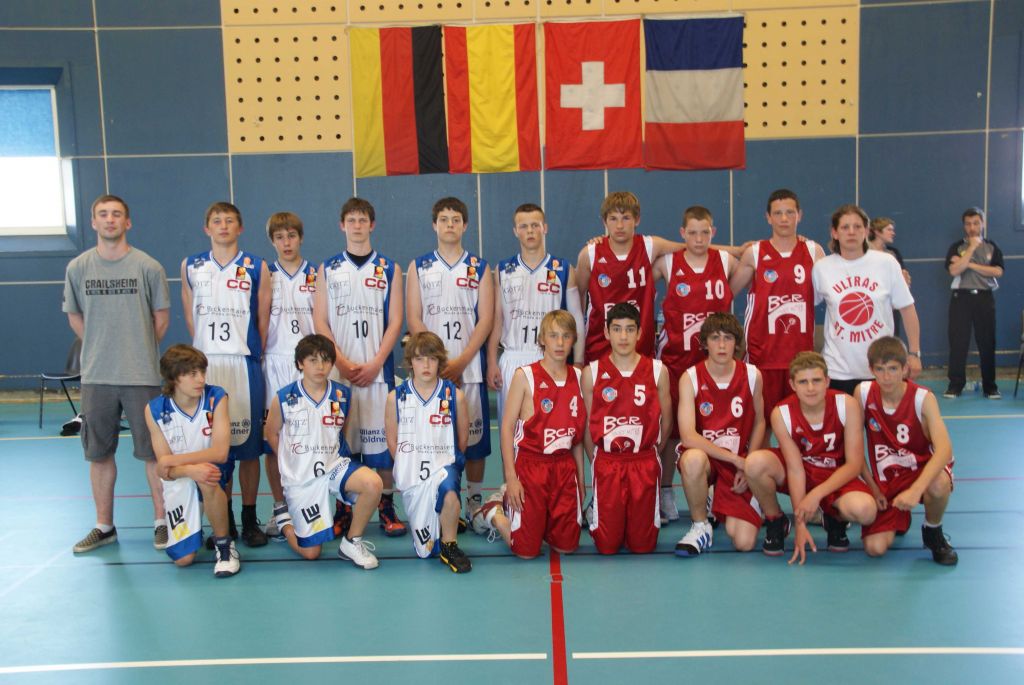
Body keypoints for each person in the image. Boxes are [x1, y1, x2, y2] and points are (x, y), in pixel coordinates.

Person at [64, 194, 171, 553]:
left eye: (116, 214)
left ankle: (162, 521)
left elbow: (160, 320)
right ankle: (104, 526)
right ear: (93, 222)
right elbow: (75, 317)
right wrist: (101, 346)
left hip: (142, 375)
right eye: (103, 214)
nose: (110, 219)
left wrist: (136, 349)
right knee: (98, 453)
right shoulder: (78, 267)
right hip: (96, 376)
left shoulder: (148, 267)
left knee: (153, 453)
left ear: (128, 222)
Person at [314, 197, 406, 537]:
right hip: (340, 373)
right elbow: (320, 320)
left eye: (362, 219)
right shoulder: (327, 269)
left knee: (382, 448)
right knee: (344, 446)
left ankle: (386, 506)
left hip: (377, 372)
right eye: (351, 220)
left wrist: (376, 362)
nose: (357, 225)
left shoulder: (389, 268)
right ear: (342, 225)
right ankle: (344, 508)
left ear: (372, 224)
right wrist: (341, 361)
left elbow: (395, 321)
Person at [181, 202, 271, 547]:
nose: (223, 226)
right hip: (206, 366)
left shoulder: (256, 266)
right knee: (216, 449)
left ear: (240, 227)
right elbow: (190, 315)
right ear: (207, 228)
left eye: (229, 220)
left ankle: (249, 517)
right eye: (216, 221)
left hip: (242, 363)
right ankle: (225, 519)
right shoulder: (191, 265)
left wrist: (250, 352)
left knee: (248, 449)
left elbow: (262, 320)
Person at [406, 197, 493, 519]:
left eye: (456, 219)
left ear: (465, 225)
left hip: (469, 369)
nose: (450, 225)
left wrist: (462, 361)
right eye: (444, 219)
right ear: (434, 225)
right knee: (434, 437)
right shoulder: (419, 266)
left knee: (475, 439)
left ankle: (474, 501)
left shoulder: (479, 267)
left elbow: (485, 319)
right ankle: (437, 497)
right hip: (431, 370)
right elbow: (414, 317)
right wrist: (439, 361)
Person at [745, 352, 878, 563]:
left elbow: (854, 464)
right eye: (803, 382)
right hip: (802, 471)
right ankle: (775, 519)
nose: (810, 388)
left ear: (827, 381)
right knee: (754, 463)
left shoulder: (847, 405)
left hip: (836, 474)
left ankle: (835, 518)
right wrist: (800, 525)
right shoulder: (782, 413)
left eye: (816, 380)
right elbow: (795, 469)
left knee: (866, 511)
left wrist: (815, 495)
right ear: (792, 384)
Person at [473, 310, 586, 558]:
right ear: (542, 339)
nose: (559, 342)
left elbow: (577, 438)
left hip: (564, 467)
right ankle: (494, 511)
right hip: (531, 467)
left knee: (567, 547)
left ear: (574, 339)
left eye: (566, 336)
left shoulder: (579, 378)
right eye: (553, 335)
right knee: (526, 551)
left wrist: (580, 476)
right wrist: (511, 478)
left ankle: (539, 521)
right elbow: (506, 429)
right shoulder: (525, 376)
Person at [264, 335, 383, 568]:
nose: (320, 366)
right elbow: (271, 433)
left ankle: (352, 542)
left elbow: (340, 433)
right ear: (300, 363)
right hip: (301, 477)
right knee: (311, 553)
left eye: (326, 360)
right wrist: (290, 461)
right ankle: (284, 521)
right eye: (313, 360)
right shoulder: (284, 397)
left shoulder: (342, 395)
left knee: (373, 484)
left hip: (332, 466)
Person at [654, 205, 738, 524]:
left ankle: (716, 490)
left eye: (705, 232)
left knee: (715, 425)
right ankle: (665, 492)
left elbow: (753, 258)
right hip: (675, 359)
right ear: (682, 233)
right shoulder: (668, 262)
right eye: (692, 233)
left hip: (714, 362)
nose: (699, 238)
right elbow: (633, 264)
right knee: (670, 430)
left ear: (713, 232)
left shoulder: (726, 261)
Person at [730, 189, 825, 434]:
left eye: (790, 213)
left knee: (801, 426)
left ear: (799, 215)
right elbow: (727, 292)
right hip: (763, 355)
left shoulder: (813, 251)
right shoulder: (755, 253)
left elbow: (840, 285)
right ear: (768, 217)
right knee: (761, 426)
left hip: (801, 356)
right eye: (778, 213)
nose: (784, 219)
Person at [856, 337, 958, 565]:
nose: (886, 376)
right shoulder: (863, 393)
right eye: (880, 369)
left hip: (922, 470)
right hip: (888, 478)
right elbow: (854, 448)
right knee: (874, 548)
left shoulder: (923, 398)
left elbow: (944, 449)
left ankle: (933, 531)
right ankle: (901, 517)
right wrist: (873, 487)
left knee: (939, 484)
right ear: (871, 370)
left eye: (893, 369)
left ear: (905, 369)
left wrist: (915, 490)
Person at [581, 303, 672, 555]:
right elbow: (587, 425)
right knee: (607, 546)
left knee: (643, 546)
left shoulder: (657, 371)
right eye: (617, 329)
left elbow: (666, 420)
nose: (623, 336)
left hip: (644, 461)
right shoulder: (592, 373)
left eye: (630, 329)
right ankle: (599, 510)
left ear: (640, 333)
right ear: (606, 332)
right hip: (608, 462)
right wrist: (596, 460)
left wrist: (653, 452)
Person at [144, 345, 238, 577]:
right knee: (183, 560)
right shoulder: (154, 410)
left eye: (202, 372)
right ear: (174, 377)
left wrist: (175, 461)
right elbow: (164, 471)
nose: (201, 379)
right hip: (180, 477)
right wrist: (188, 470)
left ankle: (225, 546)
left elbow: (220, 453)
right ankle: (193, 530)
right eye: (192, 374)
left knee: (207, 475)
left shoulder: (216, 397)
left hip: (213, 470)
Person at [674, 313, 764, 556]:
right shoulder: (690, 377)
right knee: (692, 459)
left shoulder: (753, 375)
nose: (722, 345)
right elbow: (688, 437)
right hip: (709, 459)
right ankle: (700, 525)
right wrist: (736, 460)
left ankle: (718, 496)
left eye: (728, 338)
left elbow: (760, 422)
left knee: (744, 543)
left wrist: (749, 464)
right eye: (715, 338)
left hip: (738, 463)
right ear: (705, 343)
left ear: (737, 343)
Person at [384, 332, 472, 573]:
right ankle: (443, 519)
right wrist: (408, 465)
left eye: (432, 359)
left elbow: (462, 439)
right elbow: (392, 440)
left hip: (443, 466)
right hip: (412, 475)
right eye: (419, 359)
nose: (426, 365)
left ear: (440, 361)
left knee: (450, 490)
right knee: (425, 550)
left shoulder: (455, 396)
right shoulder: (395, 398)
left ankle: (450, 544)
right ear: (410, 361)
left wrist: (449, 464)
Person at [486, 203, 584, 420]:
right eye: (523, 226)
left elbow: (577, 318)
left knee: (551, 426)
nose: (529, 231)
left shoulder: (563, 269)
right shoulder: (503, 270)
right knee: (511, 429)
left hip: (550, 358)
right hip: (513, 357)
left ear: (544, 228)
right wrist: (492, 361)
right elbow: (497, 320)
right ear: (515, 231)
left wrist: (578, 361)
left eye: (535, 225)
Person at [812, 204, 922, 395]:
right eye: (845, 227)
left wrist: (914, 353)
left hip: (880, 367)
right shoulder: (822, 267)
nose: (851, 232)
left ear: (867, 231)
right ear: (834, 233)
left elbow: (907, 308)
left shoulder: (886, 263)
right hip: (838, 370)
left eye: (857, 226)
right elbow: (805, 308)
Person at [261, 212, 319, 540]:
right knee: (275, 441)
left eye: (292, 236)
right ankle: (279, 506)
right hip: (274, 362)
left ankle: (311, 503)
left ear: (301, 238)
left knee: (311, 438)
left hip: (309, 367)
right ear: (272, 241)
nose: (286, 243)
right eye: (280, 237)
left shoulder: (317, 274)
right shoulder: (265, 275)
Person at [944, 207, 1004, 399]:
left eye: (976, 223)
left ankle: (990, 387)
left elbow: (997, 272)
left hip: (984, 298)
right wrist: (970, 249)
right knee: (958, 343)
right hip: (960, 299)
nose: (972, 227)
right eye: (968, 224)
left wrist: (967, 264)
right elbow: (954, 271)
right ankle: (955, 385)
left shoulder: (992, 246)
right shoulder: (957, 247)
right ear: (964, 226)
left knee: (987, 343)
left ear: (982, 224)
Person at [867, 216, 910, 337]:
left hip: (891, 303)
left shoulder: (893, 253)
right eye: (889, 229)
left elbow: (904, 278)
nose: (893, 233)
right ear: (877, 231)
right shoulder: (863, 252)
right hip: (870, 302)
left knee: (892, 336)